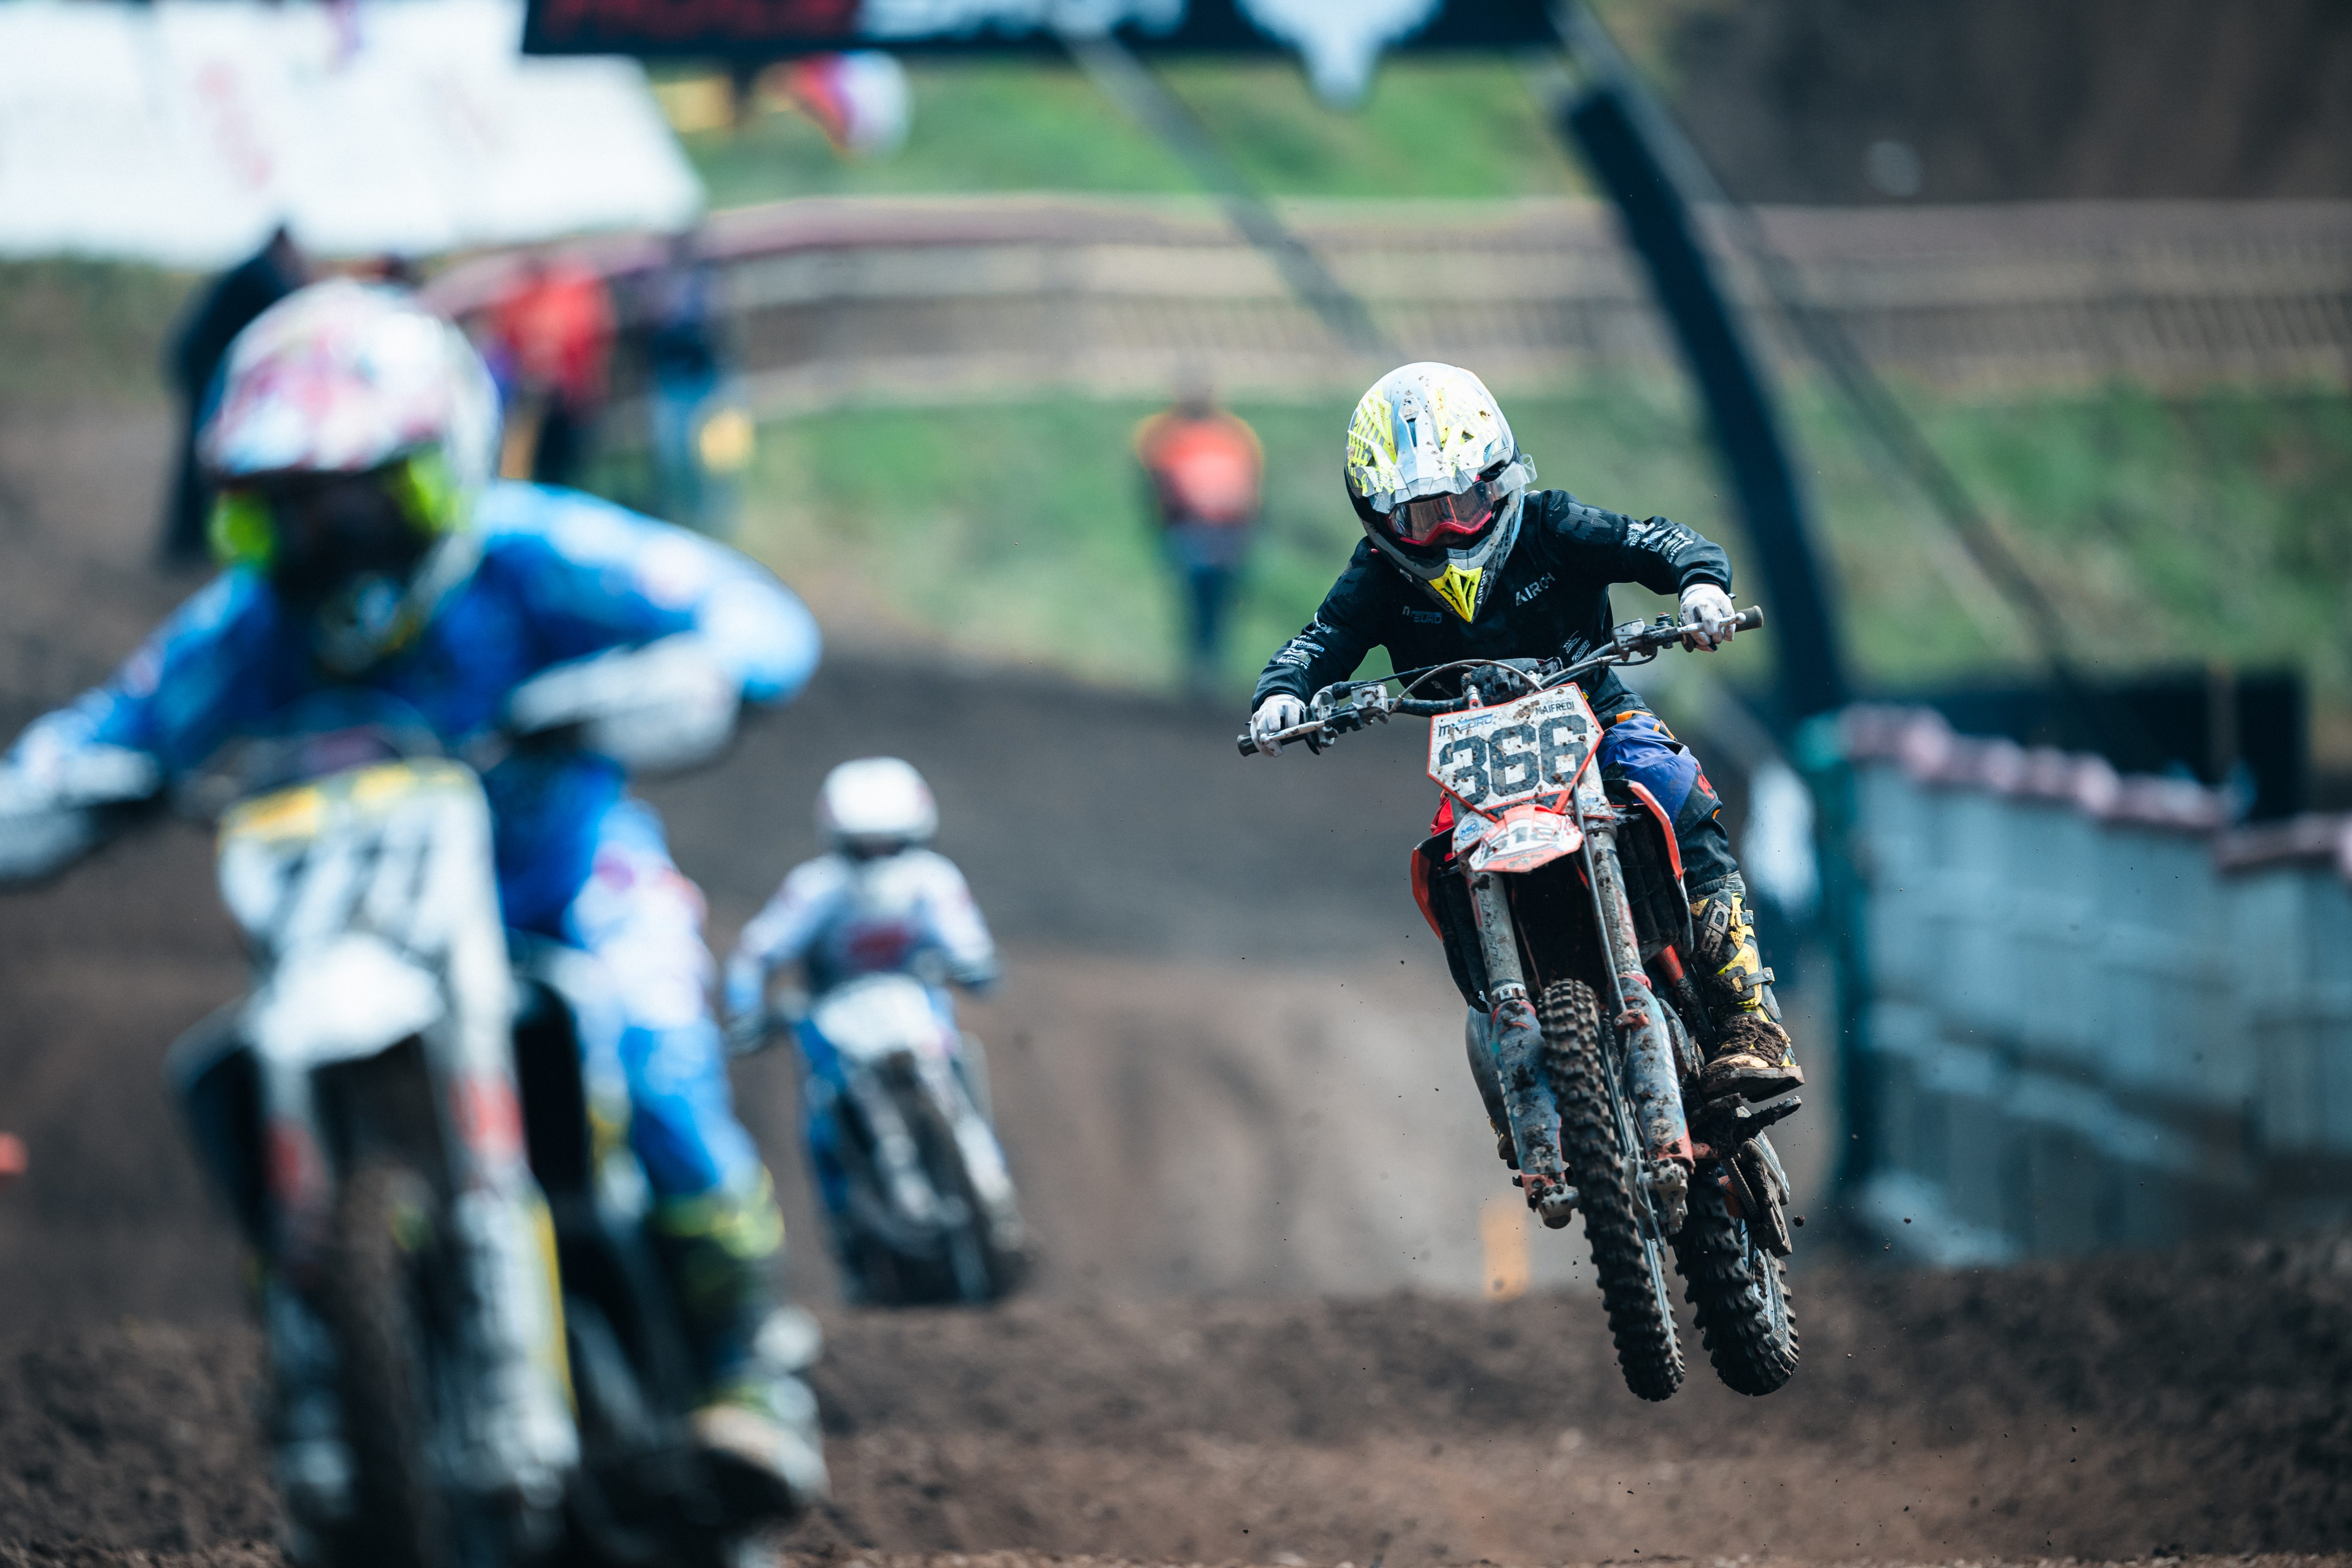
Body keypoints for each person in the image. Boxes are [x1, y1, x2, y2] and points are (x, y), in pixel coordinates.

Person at [0, 280, 826, 1518]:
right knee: (229, 1071)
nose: (329, 533)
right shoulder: (249, 628)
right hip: (350, 943)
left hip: (565, 897)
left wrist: (666, 681)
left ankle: (746, 1368)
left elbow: (753, 617)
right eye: (289, 505)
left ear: (443, 469)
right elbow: (107, 728)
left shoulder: (532, 556)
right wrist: (67, 790)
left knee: (655, 1055)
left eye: (361, 493)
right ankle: (323, 1369)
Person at [1247, 361, 1801, 1106]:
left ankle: (1749, 1019)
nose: (1447, 528)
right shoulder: (1377, 574)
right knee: (1443, 865)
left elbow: (1660, 541)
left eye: (1463, 502)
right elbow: (1321, 640)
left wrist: (1701, 584)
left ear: (1500, 479)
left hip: (1598, 715)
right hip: (1475, 761)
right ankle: (1517, 1063)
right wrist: (1283, 694)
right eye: (1421, 516)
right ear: (1379, 518)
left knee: (1671, 784)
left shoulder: (1552, 525)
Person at [721, 757, 1013, 1274]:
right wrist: (745, 1010)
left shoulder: (931, 881)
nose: (878, 858)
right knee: (819, 1115)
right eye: (864, 845)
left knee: (960, 1065)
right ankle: (846, 1229)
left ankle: (992, 1186)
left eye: (891, 843)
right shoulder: (816, 887)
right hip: (836, 1017)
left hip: (914, 1006)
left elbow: (965, 938)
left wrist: (974, 964)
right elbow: (757, 951)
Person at [158, 226, 309, 565]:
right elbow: (289, 305)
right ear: (283, 245)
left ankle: (188, 538)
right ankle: (186, 540)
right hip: (202, 367)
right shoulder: (260, 273)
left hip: (204, 364)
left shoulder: (255, 268)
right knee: (202, 451)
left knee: (201, 450)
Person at [1134, 390, 1263, 695]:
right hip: (1191, 530)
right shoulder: (1167, 435)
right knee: (1197, 597)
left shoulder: (1235, 435)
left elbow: (1250, 485)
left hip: (1227, 532)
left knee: (1220, 602)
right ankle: (1198, 669)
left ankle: (1211, 668)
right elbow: (1157, 482)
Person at [485, 255, 615, 488]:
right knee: (536, 466)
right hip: (534, 399)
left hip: (568, 400)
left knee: (569, 464)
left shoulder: (572, 290)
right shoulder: (520, 296)